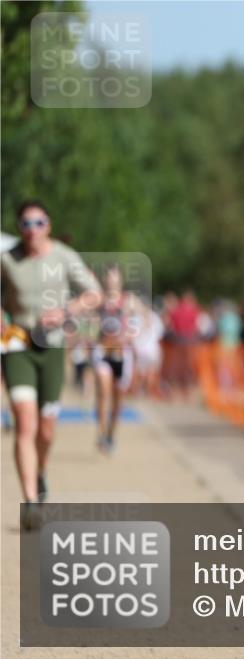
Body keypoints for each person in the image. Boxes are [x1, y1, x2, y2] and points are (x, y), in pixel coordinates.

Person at [1, 200, 102, 530]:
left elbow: (94, 294)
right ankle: (30, 501)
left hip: (52, 345)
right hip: (16, 343)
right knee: (25, 422)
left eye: (39, 223)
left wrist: (65, 312)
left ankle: (40, 471)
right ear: (19, 228)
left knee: (46, 428)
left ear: (50, 225)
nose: (33, 230)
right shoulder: (8, 258)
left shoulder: (63, 257)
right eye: (26, 224)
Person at [91, 265, 141, 454]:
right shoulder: (98, 301)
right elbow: (88, 325)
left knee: (118, 399)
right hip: (103, 351)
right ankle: (102, 433)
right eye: (109, 277)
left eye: (115, 278)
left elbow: (139, 324)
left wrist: (127, 336)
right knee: (103, 391)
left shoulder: (129, 301)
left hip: (122, 354)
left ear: (120, 280)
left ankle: (111, 434)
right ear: (105, 280)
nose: (111, 281)